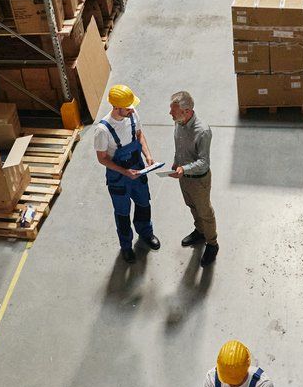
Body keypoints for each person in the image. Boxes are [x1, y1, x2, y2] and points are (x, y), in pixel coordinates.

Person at [93, 83, 159, 262]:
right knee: (122, 214)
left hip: (138, 168)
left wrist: (148, 156)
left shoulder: (132, 114)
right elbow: (102, 158)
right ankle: (126, 246)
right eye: (127, 108)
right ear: (116, 107)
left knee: (144, 204)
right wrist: (124, 171)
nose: (131, 110)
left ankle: (146, 233)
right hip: (118, 178)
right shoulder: (102, 130)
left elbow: (139, 136)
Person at [161, 91, 217, 265]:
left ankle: (212, 243)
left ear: (186, 111)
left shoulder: (202, 131)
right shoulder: (178, 123)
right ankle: (200, 231)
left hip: (199, 180)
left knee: (205, 212)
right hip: (184, 176)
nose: (170, 114)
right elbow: (179, 147)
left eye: (173, 111)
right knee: (192, 205)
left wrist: (183, 168)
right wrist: (176, 162)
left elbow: (204, 162)